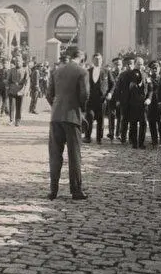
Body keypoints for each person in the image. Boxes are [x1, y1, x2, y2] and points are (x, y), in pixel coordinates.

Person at [46, 46, 90, 201]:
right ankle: (76, 190)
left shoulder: (56, 71)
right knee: (74, 155)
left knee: (55, 155)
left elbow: (49, 94)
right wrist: (81, 111)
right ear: (82, 59)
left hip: (55, 117)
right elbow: (84, 95)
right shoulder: (82, 72)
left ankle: (53, 190)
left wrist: (57, 107)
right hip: (72, 117)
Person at [86, 52, 114, 144]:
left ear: (102, 60)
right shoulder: (88, 71)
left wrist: (110, 93)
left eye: (99, 59)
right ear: (92, 60)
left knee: (100, 120)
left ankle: (99, 138)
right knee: (90, 117)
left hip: (102, 100)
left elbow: (113, 84)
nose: (98, 61)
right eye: (96, 59)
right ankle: (88, 136)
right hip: (91, 99)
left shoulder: (106, 71)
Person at [7, 56, 29, 126]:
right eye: (16, 61)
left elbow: (27, 81)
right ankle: (11, 120)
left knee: (19, 106)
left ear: (22, 62)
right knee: (11, 106)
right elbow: (8, 80)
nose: (17, 62)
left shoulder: (25, 70)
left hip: (20, 90)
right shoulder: (11, 70)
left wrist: (25, 90)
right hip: (12, 89)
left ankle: (18, 120)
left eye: (19, 61)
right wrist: (8, 86)